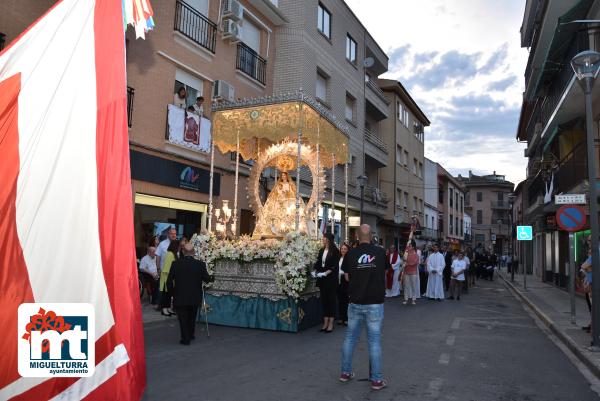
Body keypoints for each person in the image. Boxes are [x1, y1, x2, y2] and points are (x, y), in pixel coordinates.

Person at [340, 224, 388, 390]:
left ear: (357, 236)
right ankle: (376, 380)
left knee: (350, 338)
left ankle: (345, 373)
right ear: (372, 236)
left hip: (355, 302)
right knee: (374, 341)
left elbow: (346, 277)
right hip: (374, 303)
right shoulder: (381, 252)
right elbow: (385, 272)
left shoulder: (351, 254)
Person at [166, 242, 213, 345]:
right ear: (194, 252)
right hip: (195, 296)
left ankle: (185, 338)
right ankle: (190, 334)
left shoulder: (176, 263)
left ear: (183, 252)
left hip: (180, 295)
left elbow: (169, 281)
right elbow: (208, 279)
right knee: (192, 316)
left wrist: (172, 293)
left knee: (182, 318)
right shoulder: (200, 264)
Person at [313, 233, 339, 333]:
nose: (322, 239)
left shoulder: (335, 251)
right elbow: (318, 262)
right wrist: (315, 271)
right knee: (324, 300)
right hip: (322, 279)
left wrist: (326, 273)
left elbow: (334, 265)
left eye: (324, 237)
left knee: (331, 300)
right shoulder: (321, 250)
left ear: (328, 239)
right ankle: (325, 322)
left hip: (331, 279)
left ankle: (331, 323)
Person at [159, 240, 180, 316]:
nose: (179, 248)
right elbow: (167, 267)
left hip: (171, 277)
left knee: (169, 294)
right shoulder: (170, 254)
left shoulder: (173, 254)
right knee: (166, 294)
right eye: (178, 246)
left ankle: (168, 308)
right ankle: (164, 309)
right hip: (167, 277)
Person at [337, 243, 351, 326]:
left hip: (346, 280)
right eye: (342, 249)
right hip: (338, 280)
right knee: (340, 299)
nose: (343, 250)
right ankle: (341, 317)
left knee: (346, 300)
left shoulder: (349, 259)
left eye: (345, 249)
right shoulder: (338, 258)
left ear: (348, 250)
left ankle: (346, 318)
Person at [581, 248, 593, 333]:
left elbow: (584, 266)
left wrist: (588, 268)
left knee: (593, 307)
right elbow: (584, 267)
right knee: (591, 307)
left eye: (590, 240)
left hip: (592, 286)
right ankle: (592, 325)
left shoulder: (595, 254)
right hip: (589, 285)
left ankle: (593, 327)